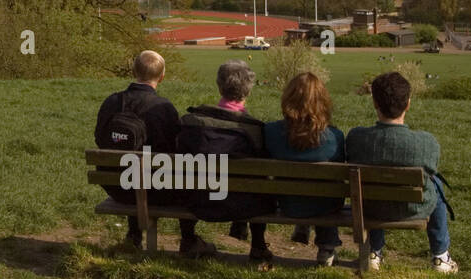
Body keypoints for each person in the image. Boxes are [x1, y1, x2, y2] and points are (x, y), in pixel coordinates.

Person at [95, 50, 215, 257]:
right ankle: (188, 239)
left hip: (118, 187)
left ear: (134, 72)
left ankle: (134, 235)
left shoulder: (112, 102)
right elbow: (174, 149)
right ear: (162, 77)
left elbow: (99, 138)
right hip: (157, 189)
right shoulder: (163, 108)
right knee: (184, 176)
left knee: (134, 168)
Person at [346, 72, 457, 273]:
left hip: (370, 208)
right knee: (437, 184)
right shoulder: (427, 142)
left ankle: (373, 252)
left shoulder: (356, 138)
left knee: (372, 187)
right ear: (408, 104)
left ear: (375, 103)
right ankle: (440, 256)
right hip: (413, 209)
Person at [177, 60, 277, 267]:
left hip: (197, 200)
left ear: (219, 86)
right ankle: (258, 245)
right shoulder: (256, 130)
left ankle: (188, 238)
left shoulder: (192, 123)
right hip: (243, 204)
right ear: (248, 91)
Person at [264, 72, 344, 267]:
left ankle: (303, 226)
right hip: (326, 206)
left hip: (287, 203)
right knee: (328, 187)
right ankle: (326, 246)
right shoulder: (334, 137)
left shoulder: (271, 132)